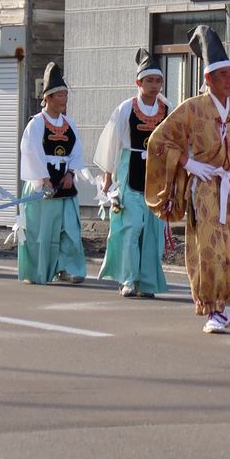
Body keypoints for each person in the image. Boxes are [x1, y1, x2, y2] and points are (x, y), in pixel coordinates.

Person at [144, 26, 230, 333]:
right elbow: (159, 141)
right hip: (206, 187)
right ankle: (212, 308)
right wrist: (188, 162)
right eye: (224, 75)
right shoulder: (192, 109)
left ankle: (223, 302)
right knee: (210, 247)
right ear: (208, 79)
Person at [94, 48, 171, 298]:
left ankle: (147, 282)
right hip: (131, 170)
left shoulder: (168, 108)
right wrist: (108, 175)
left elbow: (176, 142)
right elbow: (112, 141)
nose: (154, 85)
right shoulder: (126, 108)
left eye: (158, 80)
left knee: (152, 230)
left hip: (156, 174)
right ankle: (128, 278)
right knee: (131, 227)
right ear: (138, 82)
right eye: (149, 80)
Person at [14, 63, 87, 285]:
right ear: (49, 97)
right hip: (42, 181)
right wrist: (43, 178)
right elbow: (30, 151)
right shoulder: (36, 124)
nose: (64, 98)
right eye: (60, 94)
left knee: (70, 228)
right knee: (41, 231)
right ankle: (38, 270)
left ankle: (66, 267)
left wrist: (71, 173)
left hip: (64, 181)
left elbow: (76, 150)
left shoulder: (69, 123)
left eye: (65, 94)